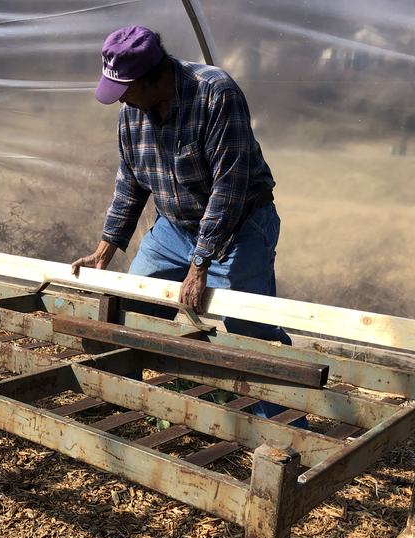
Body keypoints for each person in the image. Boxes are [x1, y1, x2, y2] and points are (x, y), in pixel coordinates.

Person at [72, 25, 299, 421]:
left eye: (126, 87)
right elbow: (130, 181)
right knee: (134, 308)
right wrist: (104, 248)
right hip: (174, 228)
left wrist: (200, 265)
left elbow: (229, 187)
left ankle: (287, 425)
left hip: (238, 226)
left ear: (154, 76)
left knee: (250, 330)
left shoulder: (215, 93)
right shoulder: (133, 112)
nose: (121, 97)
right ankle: (126, 403)